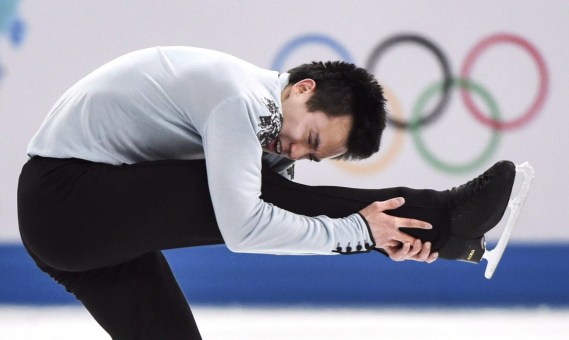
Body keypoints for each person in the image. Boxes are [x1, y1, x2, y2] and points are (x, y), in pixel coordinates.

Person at [17, 46, 516, 339]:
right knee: (257, 194)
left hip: (84, 224)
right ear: (303, 88)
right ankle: (444, 217)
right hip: (66, 199)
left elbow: (286, 217)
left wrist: (377, 234)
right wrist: (362, 233)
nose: (298, 152)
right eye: (312, 138)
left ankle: (440, 225)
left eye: (313, 156)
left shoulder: (267, 127)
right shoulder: (242, 99)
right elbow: (246, 225)